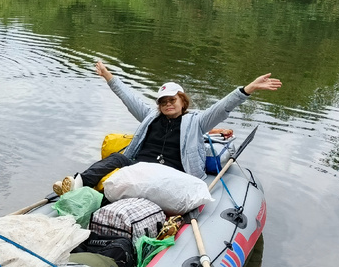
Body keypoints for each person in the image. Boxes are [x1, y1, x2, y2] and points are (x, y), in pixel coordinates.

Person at [53, 60, 282, 194]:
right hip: (140, 166)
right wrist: (107, 75)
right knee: (116, 158)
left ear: (183, 101)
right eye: (163, 101)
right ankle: (77, 184)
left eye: (172, 99)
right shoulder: (149, 116)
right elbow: (128, 96)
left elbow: (222, 108)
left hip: (173, 172)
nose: (167, 104)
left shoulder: (196, 122)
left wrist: (248, 89)